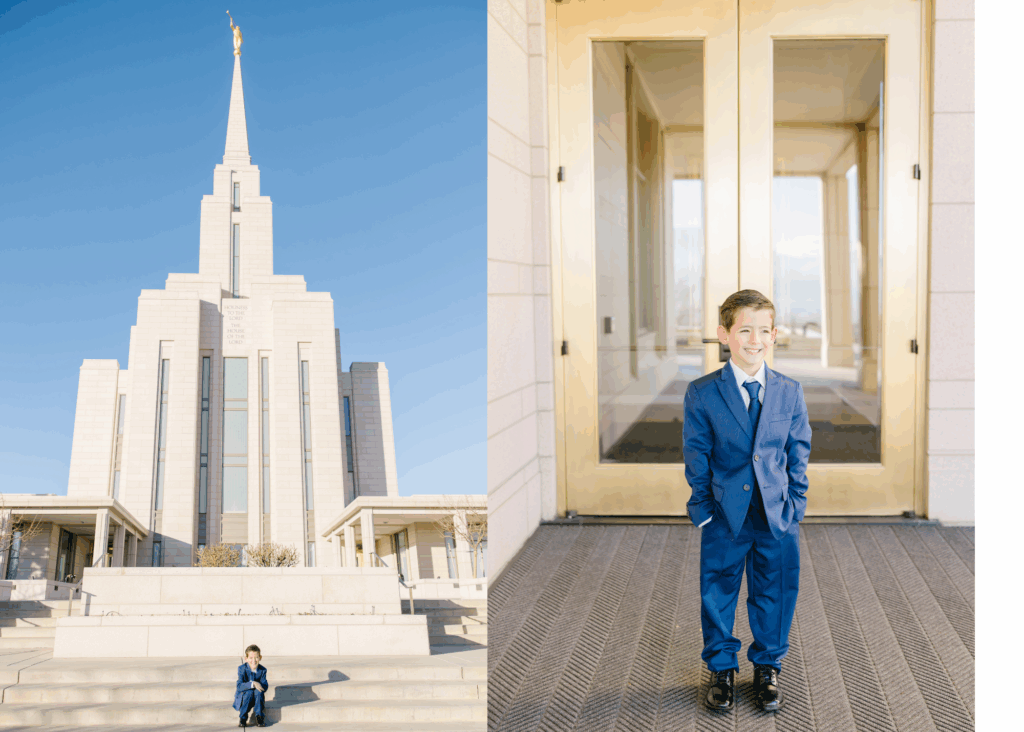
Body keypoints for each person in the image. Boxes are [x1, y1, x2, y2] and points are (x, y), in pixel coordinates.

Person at [683, 289, 811, 712]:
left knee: (775, 590)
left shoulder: (789, 392)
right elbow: (696, 454)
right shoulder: (703, 393)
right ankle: (721, 666)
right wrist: (701, 510)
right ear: (725, 334)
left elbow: (798, 450)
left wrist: (795, 504)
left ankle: (767, 666)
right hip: (724, 516)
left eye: (763, 331)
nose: (753, 340)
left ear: (773, 335)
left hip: (776, 515)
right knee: (717, 591)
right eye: (744, 330)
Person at [233, 644, 269, 727]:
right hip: (245, 697)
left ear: (260, 657)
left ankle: (259, 716)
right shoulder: (242, 669)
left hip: (257, 697)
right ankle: (243, 717)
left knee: (259, 691)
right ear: (246, 659)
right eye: (251, 658)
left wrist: (259, 685)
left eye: (256, 657)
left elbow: (265, 685)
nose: (254, 660)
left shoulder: (263, 670)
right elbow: (239, 686)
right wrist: (253, 684)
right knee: (249, 692)